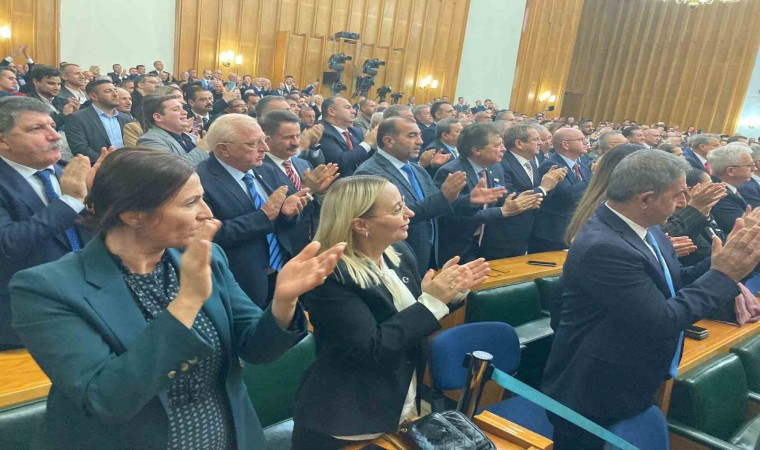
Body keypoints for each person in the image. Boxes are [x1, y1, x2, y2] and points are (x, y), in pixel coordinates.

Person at [10, 148, 346, 449]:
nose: (207, 213)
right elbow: (107, 399)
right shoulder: (46, 288)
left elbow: (256, 349)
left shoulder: (205, 257)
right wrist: (186, 302)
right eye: (190, 203)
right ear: (133, 214)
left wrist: (284, 301)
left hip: (223, 436)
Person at [542, 149, 760, 449]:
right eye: (678, 194)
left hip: (630, 373)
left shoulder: (647, 228)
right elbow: (663, 320)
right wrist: (723, 275)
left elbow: (671, 281)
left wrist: (719, 262)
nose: (684, 202)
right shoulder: (604, 246)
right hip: (594, 386)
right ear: (645, 199)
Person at [291, 175, 489, 449]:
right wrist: (432, 302)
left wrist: (448, 294)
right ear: (361, 225)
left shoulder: (398, 252)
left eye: (404, 203)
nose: (409, 213)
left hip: (397, 401)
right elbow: (370, 347)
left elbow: (409, 318)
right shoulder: (330, 276)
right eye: (397, 209)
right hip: (347, 417)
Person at [0, 97, 100, 349]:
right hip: (27, 315)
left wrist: (103, 195)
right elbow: (7, 244)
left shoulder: (70, 171)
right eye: (37, 128)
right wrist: (70, 201)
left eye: (53, 126)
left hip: (91, 302)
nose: (54, 136)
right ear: (3, 141)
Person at [197, 114, 311, 307]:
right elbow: (208, 235)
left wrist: (287, 214)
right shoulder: (200, 180)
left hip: (282, 271)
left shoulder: (266, 169)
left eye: (264, 140)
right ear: (223, 149)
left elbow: (280, 221)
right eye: (253, 144)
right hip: (243, 282)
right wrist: (262, 217)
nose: (265, 148)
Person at [65, 80, 134, 163]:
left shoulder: (126, 118)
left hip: (127, 164)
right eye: (108, 91)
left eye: (115, 90)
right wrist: (107, 163)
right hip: (98, 167)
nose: (115, 94)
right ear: (94, 96)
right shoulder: (77, 118)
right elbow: (80, 149)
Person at [137, 95, 209, 166]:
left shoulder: (192, 137)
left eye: (182, 108)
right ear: (158, 117)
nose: (185, 112)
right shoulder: (150, 140)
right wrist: (202, 149)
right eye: (176, 109)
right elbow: (169, 167)